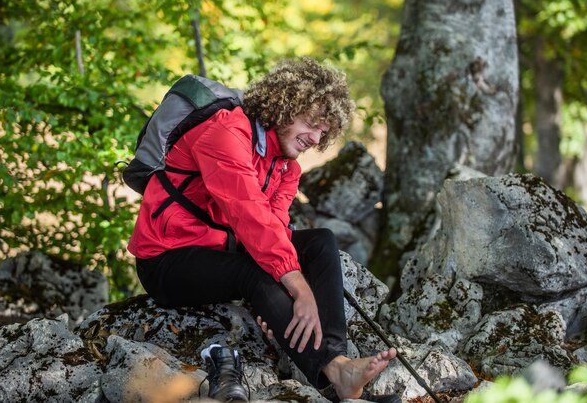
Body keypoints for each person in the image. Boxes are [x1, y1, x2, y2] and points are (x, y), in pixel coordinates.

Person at [127, 57, 397, 401]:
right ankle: (334, 373)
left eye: (323, 133)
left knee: (319, 241)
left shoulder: (287, 169)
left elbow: (276, 229)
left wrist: (278, 302)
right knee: (259, 274)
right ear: (284, 106)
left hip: (220, 254)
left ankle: (339, 359)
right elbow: (249, 216)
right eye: (312, 123)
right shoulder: (225, 134)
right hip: (167, 260)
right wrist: (298, 289)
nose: (315, 138)